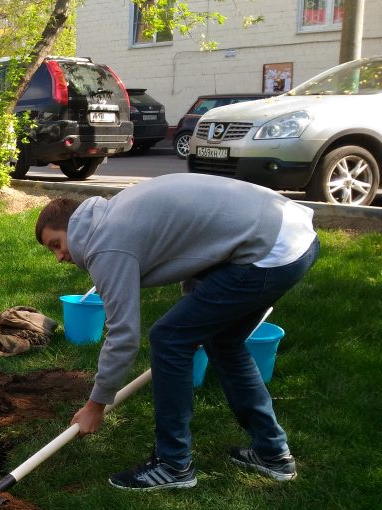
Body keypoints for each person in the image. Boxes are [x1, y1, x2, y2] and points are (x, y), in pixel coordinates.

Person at [35, 173, 319, 491]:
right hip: (288, 234)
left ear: (74, 225)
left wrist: (95, 405)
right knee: (222, 341)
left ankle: (173, 463)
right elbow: (196, 251)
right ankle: (272, 453)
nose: (60, 257)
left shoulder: (104, 244)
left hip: (271, 250)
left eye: (57, 244)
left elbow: (124, 335)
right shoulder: (113, 217)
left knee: (169, 338)